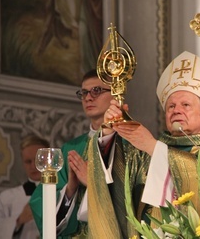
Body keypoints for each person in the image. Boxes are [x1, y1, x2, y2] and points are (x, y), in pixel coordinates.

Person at [29, 69, 150, 238]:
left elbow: (140, 204)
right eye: (84, 92)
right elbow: (44, 211)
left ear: (116, 94)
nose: (88, 97)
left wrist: (94, 183)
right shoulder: (70, 149)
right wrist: (70, 189)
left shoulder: (133, 148)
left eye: (97, 91)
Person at [104, 51, 200, 214]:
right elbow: (117, 183)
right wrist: (109, 131)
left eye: (186, 105)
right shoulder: (143, 152)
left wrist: (154, 148)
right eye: (171, 106)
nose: (177, 110)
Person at [0, 134, 49, 239]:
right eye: (28, 162)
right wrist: (18, 220)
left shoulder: (63, 194)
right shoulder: (7, 198)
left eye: (38, 160)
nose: (33, 166)